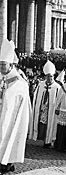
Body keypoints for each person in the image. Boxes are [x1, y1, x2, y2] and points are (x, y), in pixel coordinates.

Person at [0, 39, 31, 173]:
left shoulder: (19, 82)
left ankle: (7, 163)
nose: (1, 67)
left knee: (9, 138)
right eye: (0, 64)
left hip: (12, 119)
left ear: (11, 64)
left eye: (3, 65)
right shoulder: (2, 77)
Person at [30, 60, 61, 148]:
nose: (49, 78)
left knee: (50, 124)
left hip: (51, 110)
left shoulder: (57, 87)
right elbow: (36, 97)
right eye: (47, 76)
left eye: (51, 76)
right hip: (42, 109)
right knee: (41, 124)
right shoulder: (40, 85)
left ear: (53, 76)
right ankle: (41, 138)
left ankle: (48, 141)